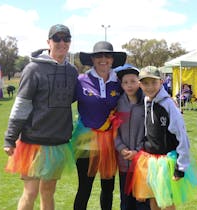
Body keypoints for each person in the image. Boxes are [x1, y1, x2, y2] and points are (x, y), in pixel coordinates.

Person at [3, 24, 78, 210]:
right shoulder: (33, 69)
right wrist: (10, 138)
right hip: (33, 143)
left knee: (48, 192)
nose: (62, 43)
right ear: (48, 42)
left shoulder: (72, 71)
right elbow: (22, 104)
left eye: (65, 39)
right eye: (57, 38)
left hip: (58, 143)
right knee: (30, 192)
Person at [125, 68, 197, 210]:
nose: (150, 87)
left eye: (154, 82)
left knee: (167, 202)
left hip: (167, 162)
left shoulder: (169, 104)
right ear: (140, 85)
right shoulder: (146, 101)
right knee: (153, 200)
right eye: (145, 83)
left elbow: (181, 136)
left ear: (161, 82)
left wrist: (181, 167)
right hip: (151, 161)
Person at [72, 41, 127, 210]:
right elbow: (61, 102)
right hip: (85, 142)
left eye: (107, 56)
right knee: (84, 188)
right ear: (92, 59)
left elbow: (138, 98)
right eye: (99, 56)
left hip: (110, 142)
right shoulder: (80, 81)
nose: (103, 59)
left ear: (112, 60)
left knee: (108, 188)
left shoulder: (119, 83)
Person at [114, 64, 150, 210]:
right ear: (121, 85)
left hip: (142, 160)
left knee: (142, 201)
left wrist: (137, 150)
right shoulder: (117, 104)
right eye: (125, 82)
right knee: (126, 201)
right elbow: (113, 130)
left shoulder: (147, 103)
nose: (129, 85)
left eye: (133, 81)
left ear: (139, 82)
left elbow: (150, 132)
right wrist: (121, 148)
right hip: (124, 160)